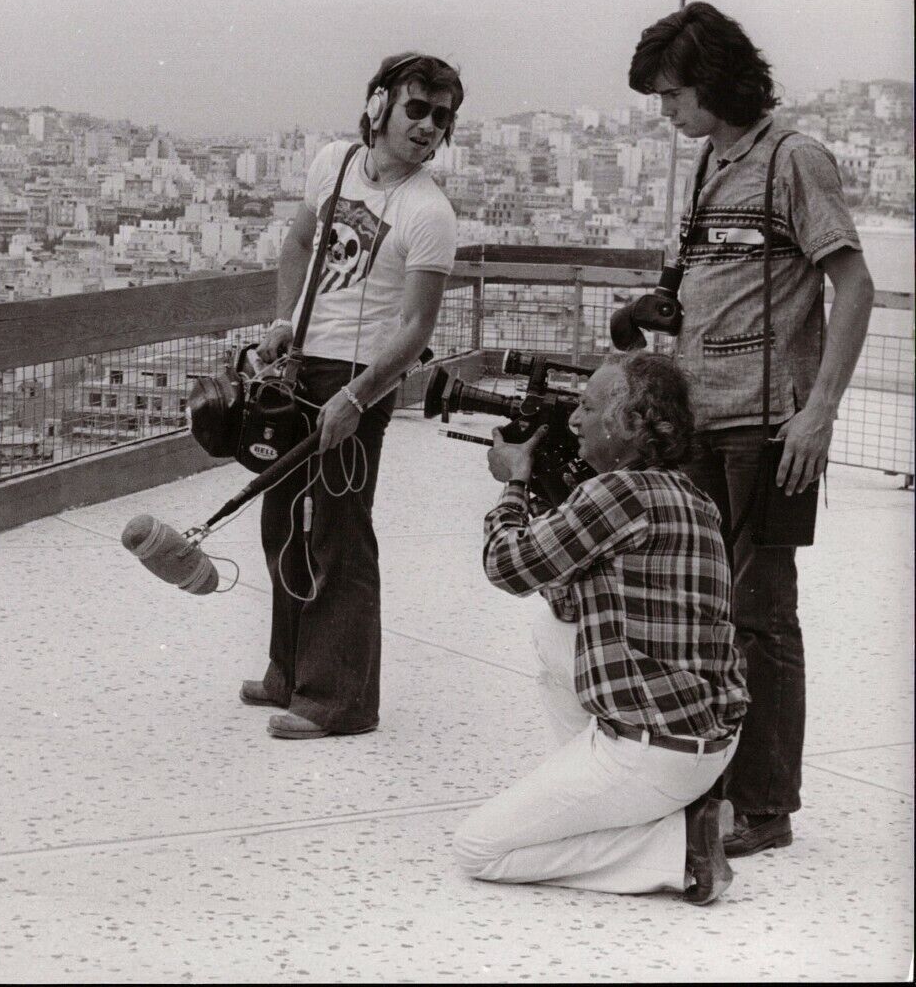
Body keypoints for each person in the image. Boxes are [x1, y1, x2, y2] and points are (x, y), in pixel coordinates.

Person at [629, 2, 875, 857]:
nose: (666, 114)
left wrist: (819, 410)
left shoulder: (792, 160)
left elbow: (855, 285)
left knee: (762, 614)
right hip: (700, 422)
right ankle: (713, 783)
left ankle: (765, 806)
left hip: (768, 429)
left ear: (716, 81)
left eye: (673, 95)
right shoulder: (709, 163)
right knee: (703, 612)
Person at [453, 353, 749, 905]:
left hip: (656, 752)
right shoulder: (694, 498)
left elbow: (506, 567)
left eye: (587, 407)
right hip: (707, 743)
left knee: (480, 850)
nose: (573, 420)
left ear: (630, 424)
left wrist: (515, 485)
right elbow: (568, 605)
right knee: (550, 632)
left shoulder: (616, 494)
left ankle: (674, 846)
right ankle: (605, 795)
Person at [243, 53, 462, 739]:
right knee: (281, 519)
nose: (428, 127)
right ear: (377, 106)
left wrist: (360, 398)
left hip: (355, 381)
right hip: (301, 365)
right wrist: (283, 320)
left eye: (441, 117)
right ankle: (289, 669)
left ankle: (339, 700)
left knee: (338, 530)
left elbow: (416, 328)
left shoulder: (429, 212)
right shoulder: (334, 164)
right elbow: (297, 243)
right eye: (416, 109)